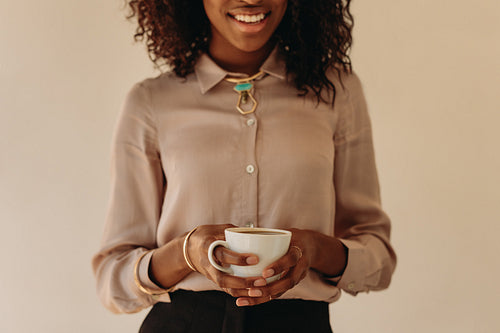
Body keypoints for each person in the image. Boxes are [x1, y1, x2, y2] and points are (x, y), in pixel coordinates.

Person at [92, 0, 397, 332]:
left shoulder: (338, 93)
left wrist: (314, 248)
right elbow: (113, 277)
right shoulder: (150, 102)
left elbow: (376, 257)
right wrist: (186, 253)